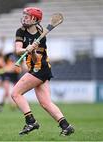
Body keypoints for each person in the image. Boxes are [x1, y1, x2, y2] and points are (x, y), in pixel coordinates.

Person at [11, 7, 75, 136]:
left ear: (35, 19)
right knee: (46, 103)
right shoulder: (20, 31)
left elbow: (37, 59)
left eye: (27, 16)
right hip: (36, 69)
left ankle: (31, 121)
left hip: (40, 69)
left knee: (15, 93)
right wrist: (26, 49)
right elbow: (17, 50)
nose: (24, 18)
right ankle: (66, 126)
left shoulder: (41, 36)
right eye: (24, 15)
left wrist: (33, 51)